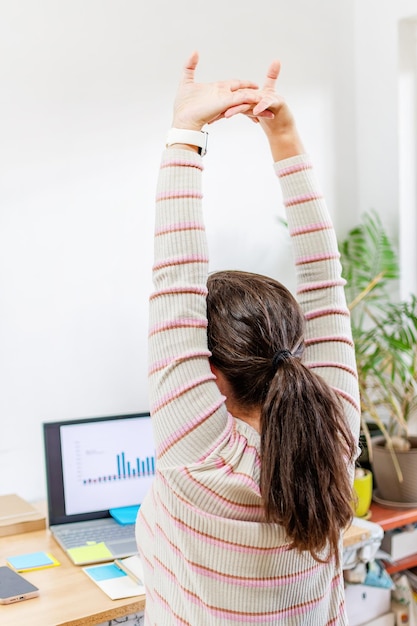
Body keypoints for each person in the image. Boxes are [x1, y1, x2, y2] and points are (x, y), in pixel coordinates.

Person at [136, 52, 360, 625]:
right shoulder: (331, 437)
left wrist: (188, 126)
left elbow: (175, 276)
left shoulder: (199, 456)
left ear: (207, 372)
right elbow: (324, 281)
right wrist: (282, 136)